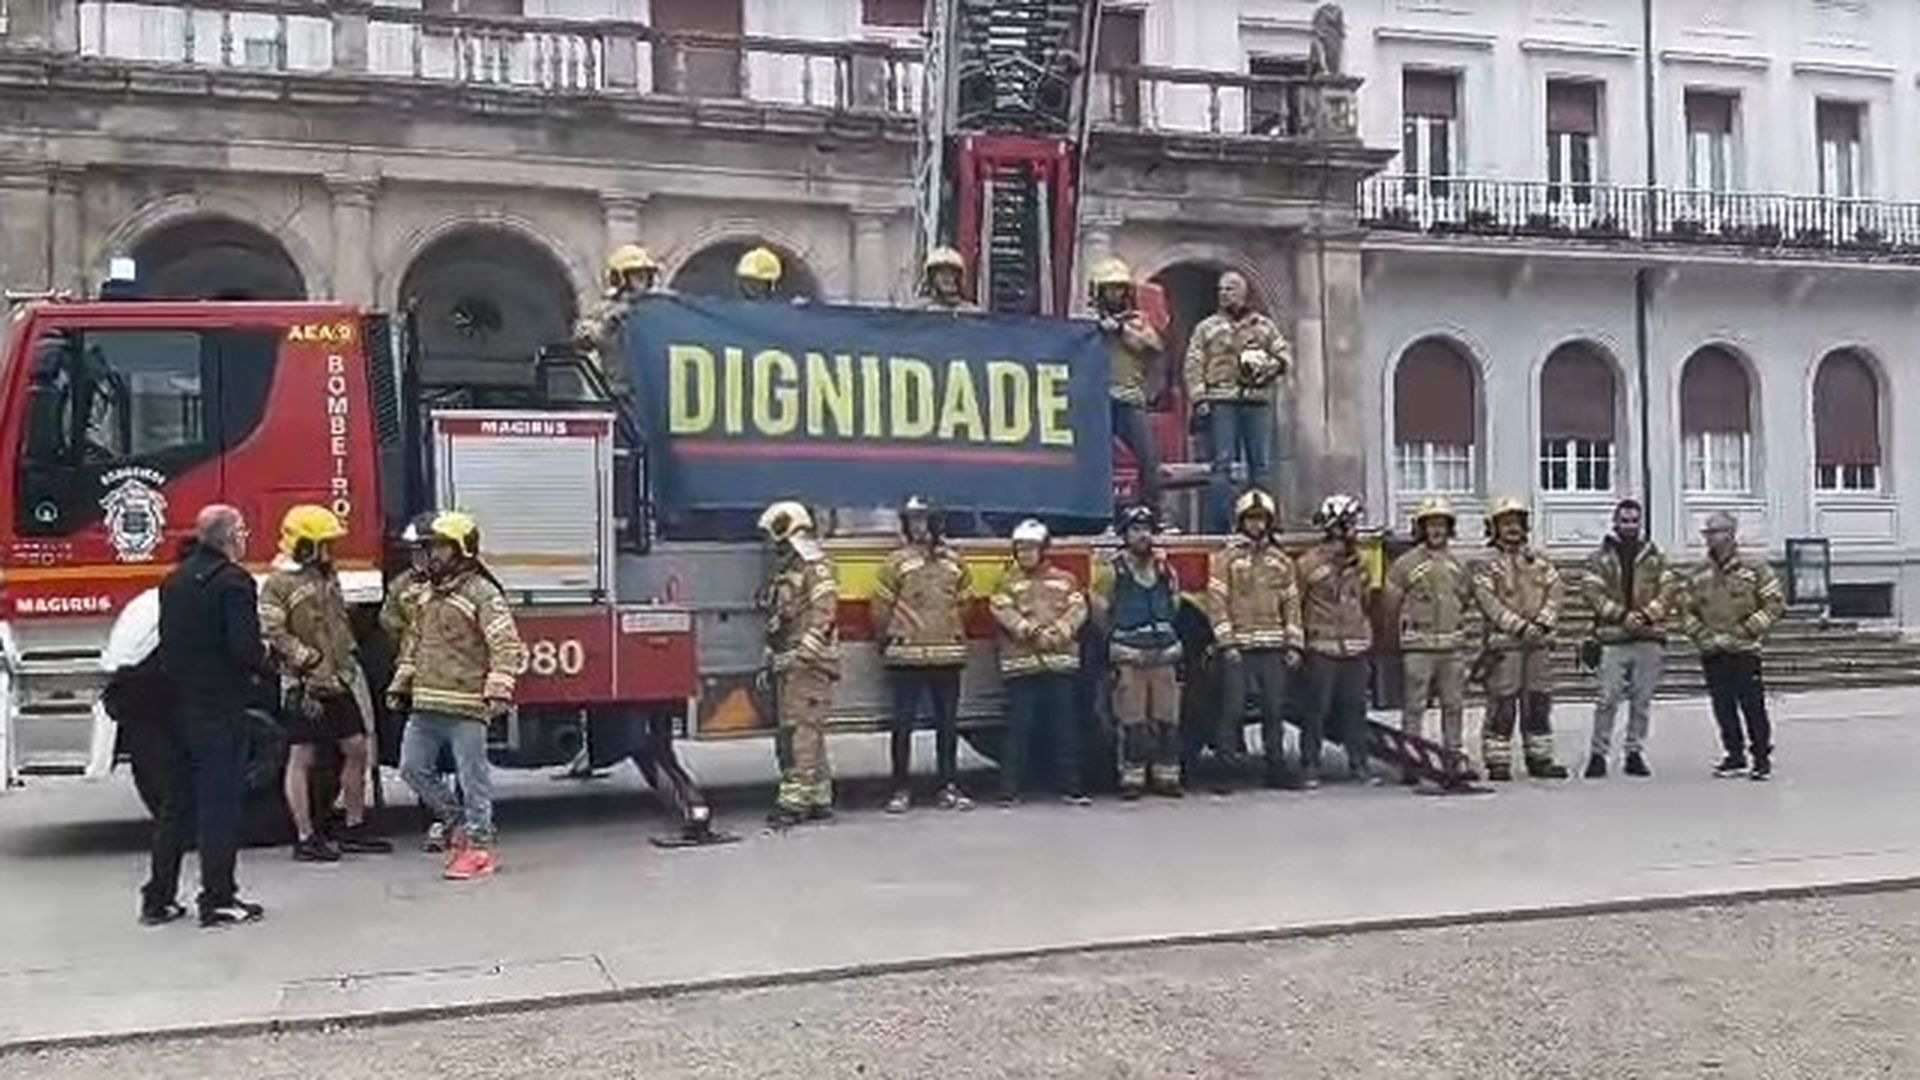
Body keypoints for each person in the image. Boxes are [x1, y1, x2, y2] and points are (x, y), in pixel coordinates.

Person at [389, 511, 526, 880]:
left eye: (437, 547)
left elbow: (506, 644)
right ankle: (458, 823)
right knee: (412, 769)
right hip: (426, 702)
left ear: (461, 550)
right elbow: (414, 643)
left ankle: (479, 849)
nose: (430, 554)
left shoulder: (483, 594)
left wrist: (499, 688)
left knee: (473, 779)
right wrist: (401, 686)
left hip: (467, 704)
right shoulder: (426, 593)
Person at [148, 505, 268, 928]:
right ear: (230, 536)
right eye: (243, 529)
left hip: (176, 708)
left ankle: (157, 898)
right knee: (219, 806)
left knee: (175, 805)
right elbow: (245, 648)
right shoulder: (234, 583)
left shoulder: (174, 581)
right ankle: (218, 899)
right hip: (219, 709)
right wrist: (264, 666)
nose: (247, 535)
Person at [260, 505, 392, 862]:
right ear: (305, 544)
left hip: (338, 679)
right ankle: (306, 837)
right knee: (302, 756)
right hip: (304, 685)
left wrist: (347, 658)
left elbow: (337, 624)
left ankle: (353, 826)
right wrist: (304, 659)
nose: (330, 550)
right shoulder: (277, 584)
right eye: (324, 543)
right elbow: (273, 631)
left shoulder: (325, 576)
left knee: (357, 749)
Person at [873, 495, 972, 813]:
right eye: (912, 520)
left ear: (937, 523)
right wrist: (889, 639)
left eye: (923, 520)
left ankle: (948, 786)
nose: (918, 527)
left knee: (948, 725)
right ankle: (900, 788)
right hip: (906, 657)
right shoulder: (895, 562)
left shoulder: (955, 562)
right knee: (903, 725)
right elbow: (880, 608)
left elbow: (967, 604)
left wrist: (952, 628)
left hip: (948, 655)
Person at [989, 518, 1091, 805]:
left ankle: (1071, 788)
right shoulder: (1007, 582)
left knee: (1064, 728)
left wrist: (1059, 632)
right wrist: (1030, 632)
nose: (1024, 555)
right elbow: (1002, 611)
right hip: (1021, 665)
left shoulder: (1066, 580)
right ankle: (1009, 790)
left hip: (1059, 663)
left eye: (1030, 549)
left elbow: (1078, 610)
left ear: (1044, 550)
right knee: (1018, 730)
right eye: (1020, 549)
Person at [1206, 488, 1303, 789]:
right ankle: (1225, 770)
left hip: (1273, 648)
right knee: (1232, 710)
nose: (1256, 525)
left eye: (1261, 520)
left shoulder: (1281, 561)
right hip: (1239, 648)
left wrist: (1294, 645)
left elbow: (1292, 604)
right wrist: (1227, 644)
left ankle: (1275, 767)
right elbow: (1216, 603)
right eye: (1251, 519)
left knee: (1274, 710)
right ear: (1240, 522)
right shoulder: (1226, 560)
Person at [1678, 511, 1785, 781]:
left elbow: (1774, 604)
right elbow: (1685, 611)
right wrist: (1703, 637)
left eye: (1716, 532)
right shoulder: (1699, 573)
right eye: (1708, 533)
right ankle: (1734, 755)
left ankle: (1761, 758)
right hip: (1713, 649)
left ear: (1731, 533)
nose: (1710, 538)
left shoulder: (1754, 568)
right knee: (1722, 705)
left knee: (1752, 704)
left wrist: (1746, 631)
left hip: (1744, 650)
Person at [1469, 497, 1570, 781]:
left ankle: (1540, 759)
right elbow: (1487, 602)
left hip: (1538, 644)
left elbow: (1557, 591)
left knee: (1539, 702)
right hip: (1505, 646)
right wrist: (1518, 627)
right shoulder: (1485, 565)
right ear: (1494, 527)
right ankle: (1498, 762)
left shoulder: (1539, 561)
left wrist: (1543, 621)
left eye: (1516, 522)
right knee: (1502, 703)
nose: (1512, 528)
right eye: (1505, 523)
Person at [1184, 270, 1291, 533]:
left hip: (1257, 401)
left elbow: (1284, 355)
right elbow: (1194, 363)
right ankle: (1220, 525)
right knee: (1222, 465)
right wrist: (1199, 398)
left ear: (1244, 292)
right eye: (1221, 289)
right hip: (1221, 400)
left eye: (1230, 289)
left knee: (1261, 465)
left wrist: (1270, 366)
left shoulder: (1264, 326)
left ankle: (1264, 521)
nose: (1224, 294)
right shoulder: (1206, 328)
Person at [1091, 504, 1184, 799]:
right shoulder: (1111, 572)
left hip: (1165, 655)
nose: (1142, 536)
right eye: (1135, 530)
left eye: (1146, 530)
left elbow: (1175, 604)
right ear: (1124, 534)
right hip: (1129, 657)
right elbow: (1099, 612)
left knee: (1167, 719)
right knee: (1133, 722)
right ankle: (1132, 779)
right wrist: (1119, 641)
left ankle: (1167, 777)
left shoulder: (1165, 570)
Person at [758, 499, 840, 827]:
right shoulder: (789, 569)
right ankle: (819, 796)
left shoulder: (815, 567)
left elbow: (825, 613)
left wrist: (806, 652)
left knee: (800, 731)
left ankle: (794, 802)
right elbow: (782, 616)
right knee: (805, 729)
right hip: (789, 660)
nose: (771, 543)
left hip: (809, 663)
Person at [1580, 498, 1673, 780]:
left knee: (1641, 701)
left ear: (1640, 523)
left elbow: (1669, 591)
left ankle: (1634, 752)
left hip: (1648, 637)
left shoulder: (1655, 558)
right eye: (1624, 520)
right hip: (1612, 638)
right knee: (1607, 698)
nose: (1629, 525)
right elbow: (1591, 593)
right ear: (1615, 522)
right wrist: (1622, 615)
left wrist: (1646, 616)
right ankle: (1598, 754)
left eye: (1634, 521)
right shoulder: (1599, 559)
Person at [1383, 497, 1472, 788]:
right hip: (1418, 646)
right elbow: (1390, 604)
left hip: (1451, 647)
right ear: (1421, 528)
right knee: (1414, 705)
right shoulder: (1404, 565)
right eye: (1431, 524)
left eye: (1442, 525)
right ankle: (1411, 760)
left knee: (1454, 704)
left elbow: (1466, 599)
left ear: (1450, 529)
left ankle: (1453, 757)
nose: (1437, 530)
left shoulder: (1458, 564)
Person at [1295, 494, 1373, 786]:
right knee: (1316, 710)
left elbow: (1364, 601)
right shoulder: (1308, 564)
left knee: (1355, 709)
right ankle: (1310, 765)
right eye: (1349, 524)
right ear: (1334, 526)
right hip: (1322, 647)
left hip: (1355, 646)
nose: (1353, 529)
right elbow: (1297, 604)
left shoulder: (1361, 563)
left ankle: (1359, 764)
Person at [1089, 257, 1166, 516]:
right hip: (1096, 401)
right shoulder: (1087, 322)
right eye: (1110, 288)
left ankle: (1152, 515)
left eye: (1120, 288)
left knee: (1149, 460)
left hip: (1130, 399)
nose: (1116, 293)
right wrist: (1097, 329)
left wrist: (1121, 329)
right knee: (1097, 463)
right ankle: (1100, 515)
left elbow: (1154, 346)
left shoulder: (1137, 320)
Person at [573, 244, 663, 393]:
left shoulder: (657, 308)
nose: (644, 280)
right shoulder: (604, 310)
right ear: (620, 278)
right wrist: (608, 326)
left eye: (646, 275)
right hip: (617, 392)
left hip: (651, 393)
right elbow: (582, 340)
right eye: (637, 275)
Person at [918, 246, 980, 311]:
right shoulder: (920, 311)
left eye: (951, 273)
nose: (946, 277)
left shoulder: (969, 313)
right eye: (941, 272)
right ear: (932, 277)